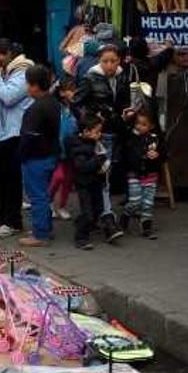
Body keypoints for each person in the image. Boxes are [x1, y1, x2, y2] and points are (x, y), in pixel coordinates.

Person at [74, 44, 130, 242]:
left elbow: (124, 102)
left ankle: (98, 214)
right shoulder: (90, 79)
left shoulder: (123, 77)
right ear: (99, 61)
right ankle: (107, 219)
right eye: (105, 61)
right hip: (98, 134)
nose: (109, 65)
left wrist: (126, 113)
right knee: (103, 175)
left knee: (105, 175)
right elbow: (76, 103)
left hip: (115, 133)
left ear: (119, 61)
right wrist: (91, 119)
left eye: (113, 61)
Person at [0, 39, 34, 238]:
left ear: (9, 54)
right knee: (1, 179)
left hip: (13, 133)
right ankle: (2, 216)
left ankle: (13, 221)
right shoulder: (7, 71)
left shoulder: (23, 71)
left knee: (11, 180)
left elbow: (9, 96)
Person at [18, 65, 61, 247]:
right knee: (43, 195)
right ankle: (43, 227)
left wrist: (21, 155)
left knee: (37, 196)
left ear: (35, 86)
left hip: (36, 158)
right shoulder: (53, 103)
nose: (26, 88)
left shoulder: (35, 109)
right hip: (50, 154)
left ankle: (40, 234)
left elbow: (29, 137)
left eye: (28, 84)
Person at [121, 107, 165, 239]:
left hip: (151, 175)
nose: (140, 127)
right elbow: (127, 153)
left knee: (148, 203)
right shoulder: (131, 136)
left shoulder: (156, 138)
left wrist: (158, 155)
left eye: (144, 124)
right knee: (135, 201)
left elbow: (165, 154)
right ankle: (125, 216)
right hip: (134, 174)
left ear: (151, 126)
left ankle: (146, 226)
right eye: (138, 123)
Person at [67, 113, 109, 250]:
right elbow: (82, 167)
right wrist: (98, 159)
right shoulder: (78, 147)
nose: (99, 134)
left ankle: (84, 223)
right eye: (97, 132)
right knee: (88, 212)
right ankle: (81, 237)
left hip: (96, 181)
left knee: (99, 209)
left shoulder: (95, 143)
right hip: (84, 183)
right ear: (86, 132)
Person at [49, 77, 78, 220]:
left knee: (68, 179)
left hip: (72, 150)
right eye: (70, 90)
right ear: (61, 93)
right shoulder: (55, 108)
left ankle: (62, 206)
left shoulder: (76, 109)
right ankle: (48, 202)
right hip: (57, 149)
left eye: (75, 90)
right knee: (58, 177)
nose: (74, 93)